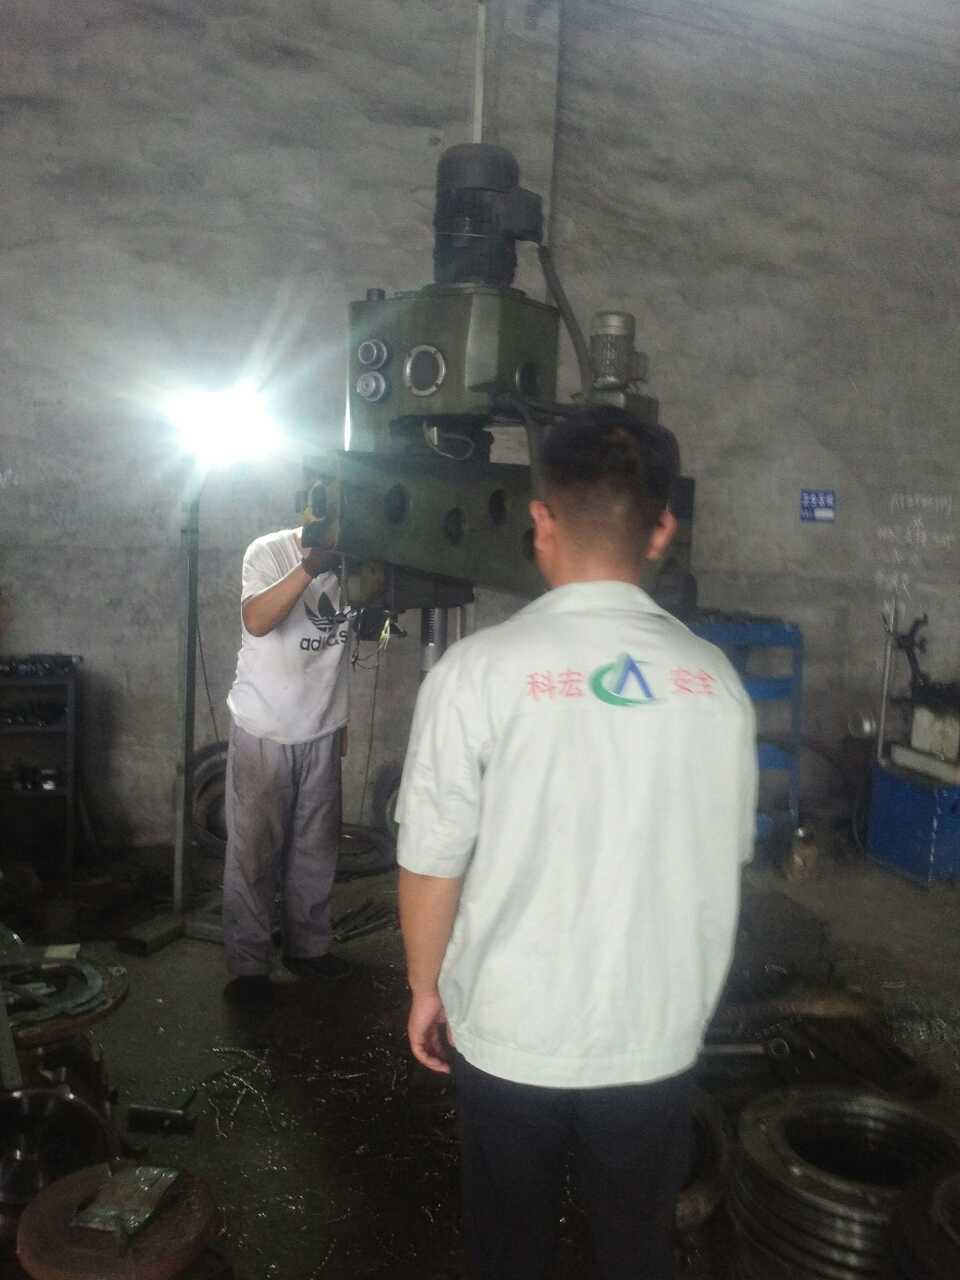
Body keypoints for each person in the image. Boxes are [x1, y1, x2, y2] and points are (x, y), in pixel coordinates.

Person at [396, 406, 757, 1279]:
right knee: (636, 1245)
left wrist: (424, 988)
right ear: (662, 530)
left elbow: (432, 859)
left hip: (510, 1027)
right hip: (654, 1032)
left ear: (541, 520)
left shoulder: (476, 673)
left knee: (508, 1244)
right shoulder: (716, 683)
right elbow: (724, 857)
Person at [222, 513, 352, 1003]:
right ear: (311, 511)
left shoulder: (358, 563)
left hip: (322, 727)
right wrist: (310, 567)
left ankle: (309, 949)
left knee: (316, 851)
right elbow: (257, 620)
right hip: (265, 727)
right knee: (254, 853)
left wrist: (342, 723)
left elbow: (341, 652)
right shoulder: (268, 551)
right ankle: (250, 966)